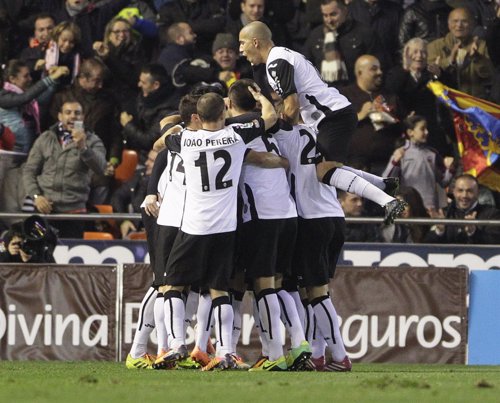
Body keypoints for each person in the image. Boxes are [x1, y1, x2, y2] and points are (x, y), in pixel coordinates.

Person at [155, 89, 277, 371]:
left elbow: (160, 143)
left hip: (193, 226)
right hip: (225, 227)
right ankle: (225, 352)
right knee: (219, 290)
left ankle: (176, 346)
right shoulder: (236, 136)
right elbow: (269, 118)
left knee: (174, 285)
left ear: (197, 116)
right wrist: (261, 99)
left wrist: (177, 125)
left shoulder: (186, 139)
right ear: (224, 112)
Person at [238, 21, 406, 225]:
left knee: (323, 170)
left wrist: (287, 133)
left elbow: (291, 106)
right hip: (330, 116)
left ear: (255, 42)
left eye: (242, 43)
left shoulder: (276, 62)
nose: (240, 50)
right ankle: (384, 185)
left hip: (332, 116)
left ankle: (388, 201)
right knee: (326, 167)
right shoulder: (280, 56)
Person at [226, 79, 310, 372]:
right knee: (280, 282)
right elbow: (273, 134)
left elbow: (258, 154)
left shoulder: (234, 129)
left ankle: (273, 354)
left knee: (262, 284)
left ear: (229, 102)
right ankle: (299, 343)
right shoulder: (270, 128)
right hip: (288, 213)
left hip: (262, 214)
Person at [22, 100, 107, 238]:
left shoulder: (93, 140)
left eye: (77, 113)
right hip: (44, 210)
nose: (72, 116)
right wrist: (36, 196)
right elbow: (29, 170)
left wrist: (84, 147)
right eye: (68, 112)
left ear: (83, 117)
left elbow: (100, 168)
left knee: (69, 256)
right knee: (41, 253)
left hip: (74, 213)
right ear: (60, 116)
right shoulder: (45, 138)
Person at [49, 57, 122, 204]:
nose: (100, 85)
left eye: (102, 81)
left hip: (97, 162)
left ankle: (94, 222)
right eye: (96, 80)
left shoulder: (107, 101)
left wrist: (113, 160)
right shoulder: (62, 97)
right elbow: (51, 133)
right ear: (82, 77)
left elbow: (115, 134)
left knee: (102, 181)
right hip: (65, 162)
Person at [385, 37, 453, 155]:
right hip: (407, 130)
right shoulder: (397, 73)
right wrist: (406, 69)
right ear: (406, 54)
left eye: (423, 52)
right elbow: (392, 89)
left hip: (431, 130)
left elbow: (452, 90)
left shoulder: (433, 72)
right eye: (415, 52)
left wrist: (440, 75)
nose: (419, 55)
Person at [382, 115, 454, 215]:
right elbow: (386, 181)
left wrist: (450, 169)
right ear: (410, 132)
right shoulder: (401, 153)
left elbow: (443, 182)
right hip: (409, 209)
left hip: (431, 209)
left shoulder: (432, 154)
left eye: (426, 129)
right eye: (422, 129)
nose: (427, 132)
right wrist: (394, 162)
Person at [303, 0, 385, 86]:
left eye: (333, 14)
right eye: (325, 15)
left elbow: (379, 65)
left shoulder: (364, 33)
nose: (329, 20)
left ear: (345, 11)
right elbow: (305, 65)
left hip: (356, 92)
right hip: (324, 92)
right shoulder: (316, 35)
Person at [427, 7, 494, 99]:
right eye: (455, 21)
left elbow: (489, 76)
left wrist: (477, 58)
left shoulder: (481, 45)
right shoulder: (435, 46)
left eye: (464, 21)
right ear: (449, 24)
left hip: (474, 103)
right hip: (445, 102)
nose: (459, 25)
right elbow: (430, 75)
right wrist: (450, 60)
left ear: (472, 25)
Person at [120, 64, 176, 161]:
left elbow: (149, 140)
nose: (139, 84)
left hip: (150, 158)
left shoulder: (167, 110)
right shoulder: (145, 96)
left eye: (143, 82)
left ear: (156, 85)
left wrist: (128, 125)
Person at [425, 174, 500, 244]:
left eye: (469, 191)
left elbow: (495, 242)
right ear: (453, 192)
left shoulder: (492, 215)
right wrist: (439, 231)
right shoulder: (443, 214)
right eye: (460, 190)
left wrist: (474, 232)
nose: (464, 195)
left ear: (477, 193)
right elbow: (423, 248)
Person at [92, 16, 146, 112]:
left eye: (126, 31)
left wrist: (109, 58)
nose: (122, 35)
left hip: (129, 101)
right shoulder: (100, 53)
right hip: (104, 102)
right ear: (109, 35)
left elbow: (134, 79)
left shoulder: (138, 52)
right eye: (117, 31)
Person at [19, 13, 56, 82]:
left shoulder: (65, 50)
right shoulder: (26, 54)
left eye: (50, 28)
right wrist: (35, 66)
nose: (46, 33)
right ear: (35, 33)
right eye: (41, 30)